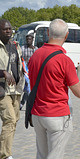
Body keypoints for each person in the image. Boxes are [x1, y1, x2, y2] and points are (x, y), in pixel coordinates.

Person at [28, 19, 80, 159]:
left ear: (48, 32)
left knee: (42, 155)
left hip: (38, 114)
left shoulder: (35, 56)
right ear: (66, 35)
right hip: (57, 114)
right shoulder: (64, 60)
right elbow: (79, 92)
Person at [0, 19, 25, 159]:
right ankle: (5, 155)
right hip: (2, 90)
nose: (8, 31)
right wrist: (2, 72)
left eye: (9, 29)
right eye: (5, 29)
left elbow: (19, 65)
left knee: (14, 120)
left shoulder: (15, 45)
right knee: (9, 120)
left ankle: (4, 150)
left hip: (15, 90)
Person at [20, 33, 38, 110]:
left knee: (29, 88)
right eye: (27, 39)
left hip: (32, 71)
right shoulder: (23, 48)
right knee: (27, 87)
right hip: (24, 71)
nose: (28, 41)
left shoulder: (35, 49)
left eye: (30, 39)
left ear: (32, 40)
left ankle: (23, 103)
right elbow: (20, 58)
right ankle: (25, 103)